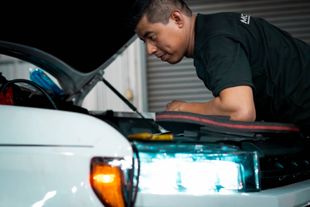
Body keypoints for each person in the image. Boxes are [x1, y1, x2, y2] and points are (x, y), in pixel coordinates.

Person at [130, 0, 310, 135]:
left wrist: (183, 109)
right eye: (144, 41)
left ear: (177, 19)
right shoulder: (219, 26)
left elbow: (239, 111)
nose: (149, 50)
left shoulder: (215, 41)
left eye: (151, 36)